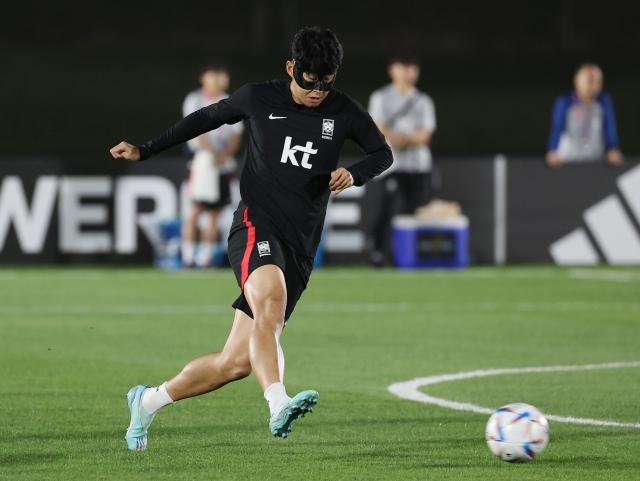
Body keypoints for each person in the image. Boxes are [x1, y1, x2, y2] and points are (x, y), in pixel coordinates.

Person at [110, 26, 392, 450]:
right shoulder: (258, 97)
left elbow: (383, 153)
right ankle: (278, 403)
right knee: (271, 303)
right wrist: (145, 149)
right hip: (256, 225)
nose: (317, 90)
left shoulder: (344, 111)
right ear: (290, 68)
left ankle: (146, 402)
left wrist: (355, 173)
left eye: (326, 81)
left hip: (300, 245)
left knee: (235, 363)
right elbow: (204, 119)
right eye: (308, 80)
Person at [367, 55, 436, 266]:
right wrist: (403, 139)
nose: (407, 72)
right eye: (403, 66)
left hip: (418, 166)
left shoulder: (423, 101)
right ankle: (378, 254)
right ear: (392, 70)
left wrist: (400, 139)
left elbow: (425, 134)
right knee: (386, 212)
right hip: (391, 166)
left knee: (415, 213)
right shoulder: (380, 97)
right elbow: (378, 128)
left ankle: (411, 258)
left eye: (412, 67)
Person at [181, 59, 243, 268]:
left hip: (223, 162)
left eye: (221, 74)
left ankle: (205, 258)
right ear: (204, 78)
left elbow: (236, 134)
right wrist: (214, 153)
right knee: (197, 208)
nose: (218, 79)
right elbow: (194, 129)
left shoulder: (230, 100)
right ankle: (188, 258)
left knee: (216, 211)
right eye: (213, 74)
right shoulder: (195, 99)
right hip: (204, 161)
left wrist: (225, 155)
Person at [546, 63, 624, 168]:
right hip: (567, 161)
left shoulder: (603, 101)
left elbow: (609, 126)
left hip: (596, 161)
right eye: (590, 81)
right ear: (576, 80)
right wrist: (552, 150)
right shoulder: (565, 102)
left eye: (599, 81)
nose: (595, 86)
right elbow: (557, 127)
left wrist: (613, 149)